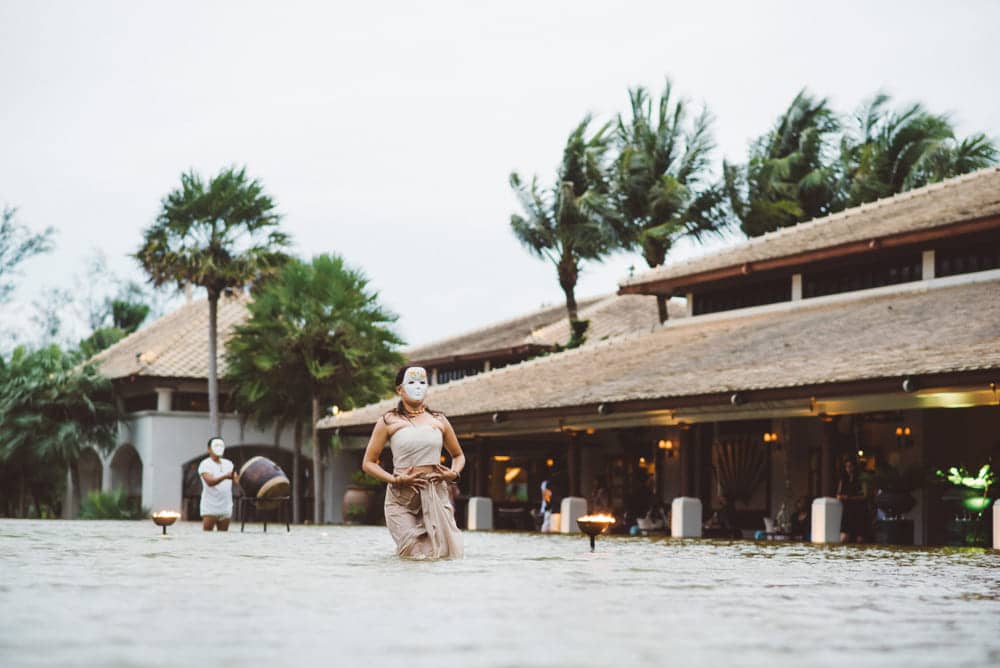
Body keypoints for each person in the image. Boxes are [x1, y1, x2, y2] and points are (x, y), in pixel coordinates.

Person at [361, 366, 465, 559]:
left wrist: (453, 473)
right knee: (414, 550)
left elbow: (458, 455)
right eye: (411, 382)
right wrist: (395, 480)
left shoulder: (439, 419)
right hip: (401, 498)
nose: (417, 387)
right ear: (399, 389)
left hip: (435, 493)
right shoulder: (388, 420)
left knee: (444, 553)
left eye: (422, 382)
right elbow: (368, 463)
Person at [199, 437, 238, 531]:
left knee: (223, 536)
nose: (219, 448)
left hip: (226, 506)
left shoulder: (229, 464)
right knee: (208, 535)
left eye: (221, 446)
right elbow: (210, 482)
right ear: (209, 449)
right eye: (216, 445)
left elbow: (237, 482)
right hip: (210, 506)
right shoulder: (205, 464)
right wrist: (225, 476)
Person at [837, 458, 869, 543]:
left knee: (859, 537)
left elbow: (865, 496)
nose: (848, 469)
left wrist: (849, 497)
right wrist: (841, 497)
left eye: (850, 466)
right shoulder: (843, 479)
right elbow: (838, 494)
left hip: (858, 509)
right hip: (847, 509)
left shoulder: (861, 478)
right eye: (846, 467)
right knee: (844, 535)